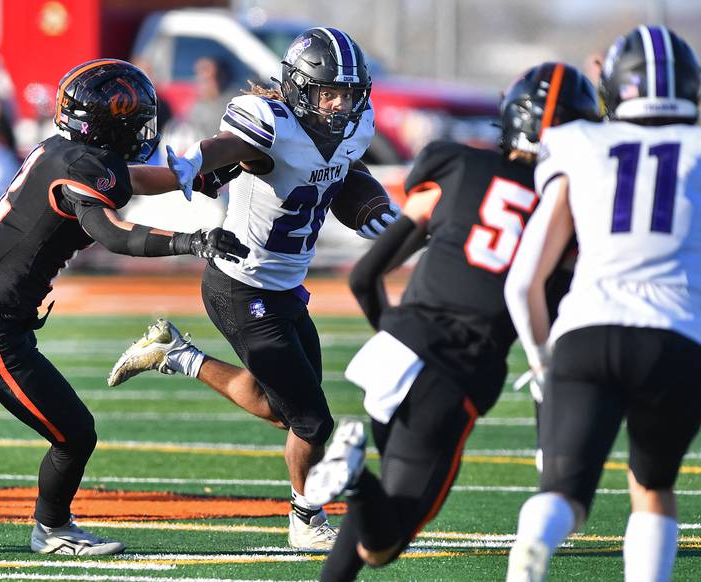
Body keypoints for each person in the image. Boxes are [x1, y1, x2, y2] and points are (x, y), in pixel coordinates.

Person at [0, 58, 247, 556]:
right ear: (108, 121)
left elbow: (125, 180)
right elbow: (112, 232)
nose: (140, 125)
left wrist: (190, 178)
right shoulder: (81, 165)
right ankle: (54, 528)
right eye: (132, 116)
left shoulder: (62, 151)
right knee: (75, 434)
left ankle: (54, 526)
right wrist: (192, 242)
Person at [300, 62, 600, 580]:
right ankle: (352, 480)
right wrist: (547, 437)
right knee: (388, 539)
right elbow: (549, 340)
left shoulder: (457, 167)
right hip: (455, 372)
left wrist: (401, 336)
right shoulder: (570, 213)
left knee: (379, 518)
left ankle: (352, 484)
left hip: (392, 354)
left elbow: (364, 278)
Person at [107, 28, 400, 550]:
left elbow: (339, 173)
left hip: (285, 287)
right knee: (311, 422)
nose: (338, 105)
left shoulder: (355, 127)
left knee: (280, 406)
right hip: (241, 286)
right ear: (297, 88)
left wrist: (369, 205)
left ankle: (177, 356)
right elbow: (234, 147)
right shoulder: (269, 122)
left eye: (348, 94)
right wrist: (198, 160)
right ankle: (305, 520)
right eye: (328, 92)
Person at [504, 26, 701, 582]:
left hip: (585, 331)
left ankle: (536, 542)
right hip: (674, 336)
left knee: (564, 493)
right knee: (653, 486)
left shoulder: (580, 144)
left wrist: (544, 360)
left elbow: (523, 282)